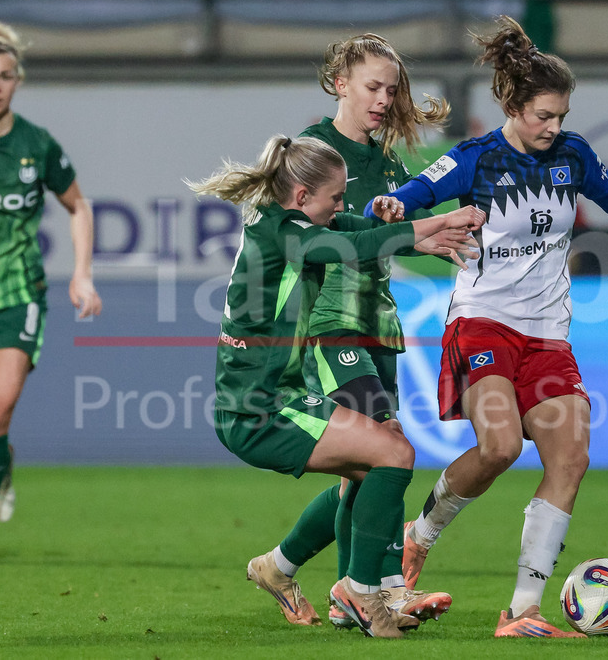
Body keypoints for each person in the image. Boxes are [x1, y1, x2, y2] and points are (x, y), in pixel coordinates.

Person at [363, 16, 608, 638]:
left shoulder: (573, 155)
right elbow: (414, 193)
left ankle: (522, 610)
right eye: (543, 115)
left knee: (571, 457)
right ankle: (419, 534)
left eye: (560, 115)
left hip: (547, 335)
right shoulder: (476, 159)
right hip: (482, 324)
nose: (554, 126)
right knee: (501, 447)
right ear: (512, 106)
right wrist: (393, 205)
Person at [188, 134, 484, 638]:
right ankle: (363, 592)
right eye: (336, 197)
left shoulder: (283, 222)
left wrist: (416, 236)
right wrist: (436, 223)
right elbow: (350, 244)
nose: (342, 206)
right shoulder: (285, 234)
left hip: (273, 398)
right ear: (303, 195)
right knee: (393, 454)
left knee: (373, 468)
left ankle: (307, 574)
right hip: (259, 409)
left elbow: (356, 229)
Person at [265, 33, 462, 630]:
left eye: (391, 90)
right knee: (387, 447)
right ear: (339, 83)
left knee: (368, 468)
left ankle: (286, 567)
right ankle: (380, 589)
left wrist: (437, 238)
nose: (383, 99)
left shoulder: (388, 162)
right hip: (328, 323)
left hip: (379, 321)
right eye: (372, 87)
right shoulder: (310, 154)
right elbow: (295, 236)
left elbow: (399, 229)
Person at [0, 15, 102, 567]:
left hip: (17, 295)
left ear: (17, 81)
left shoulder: (36, 144)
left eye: (5, 75)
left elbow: (78, 206)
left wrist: (81, 273)